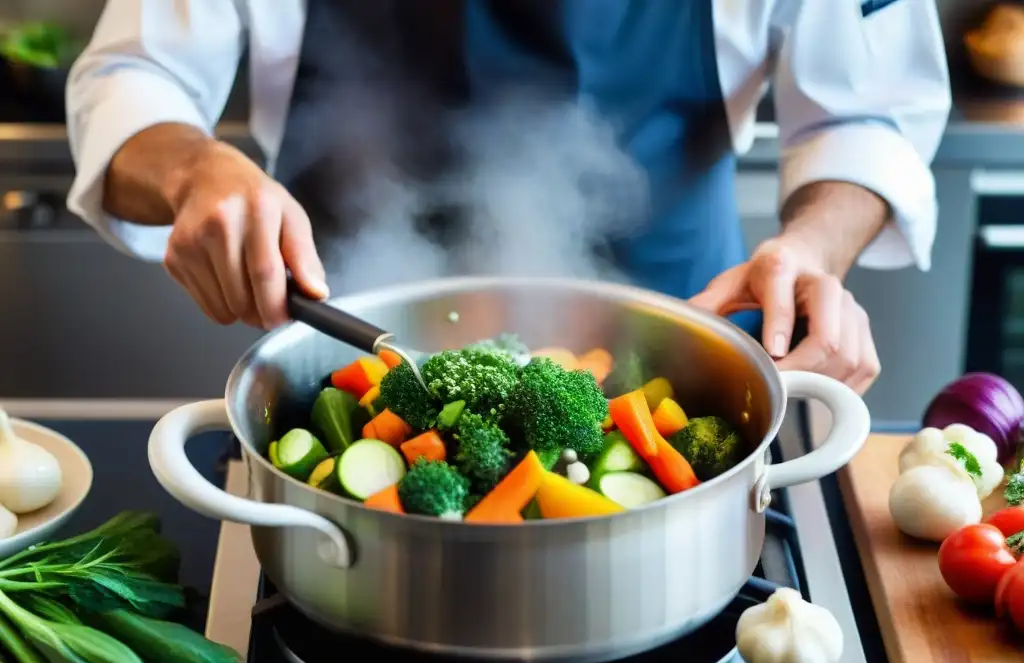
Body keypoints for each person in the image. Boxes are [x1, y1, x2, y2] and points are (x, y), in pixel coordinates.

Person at [66, 0, 951, 395]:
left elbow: (864, 115)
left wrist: (809, 251)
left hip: (671, 363)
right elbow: (135, 74)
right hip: (343, 362)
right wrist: (194, 170)